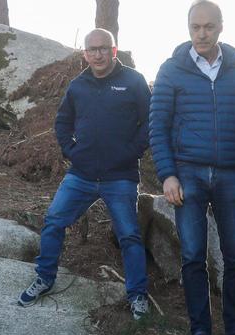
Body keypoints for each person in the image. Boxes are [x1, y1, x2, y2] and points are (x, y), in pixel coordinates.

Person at [149, 0, 235, 335]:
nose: (201, 33)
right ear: (188, 28)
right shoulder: (172, 70)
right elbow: (158, 127)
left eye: (209, 26)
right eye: (195, 27)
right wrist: (168, 174)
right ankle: (200, 332)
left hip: (231, 173)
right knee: (193, 254)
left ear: (220, 27)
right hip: (188, 173)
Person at [19, 28, 151, 319]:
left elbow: (150, 122)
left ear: (113, 51)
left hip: (121, 176)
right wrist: (72, 151)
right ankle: (45, 277)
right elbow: (62, 123)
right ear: (85, 54)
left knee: (129, 235)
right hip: (82, 174)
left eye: (104, 48)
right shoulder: (78, 86)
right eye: (92, 49)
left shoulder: (133, 81)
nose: (98, 54)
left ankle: (138, 295)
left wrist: (131, 152)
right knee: (54, 220)